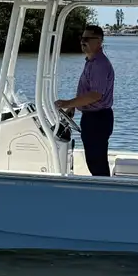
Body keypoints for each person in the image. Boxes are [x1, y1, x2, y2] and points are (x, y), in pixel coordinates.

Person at [55, 24, 114, 176]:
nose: (83, 41)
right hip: (92, 118)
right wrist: (73, 107)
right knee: (93, 159)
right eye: (82, 38)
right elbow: (85, 89)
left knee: (96, 161)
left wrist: (67, 103)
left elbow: (95, 95)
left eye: (87, 38)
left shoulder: (100, 65)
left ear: (99, 41)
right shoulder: (90, 62)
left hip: (98, 119)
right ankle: (102, 189)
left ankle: (104, 192)